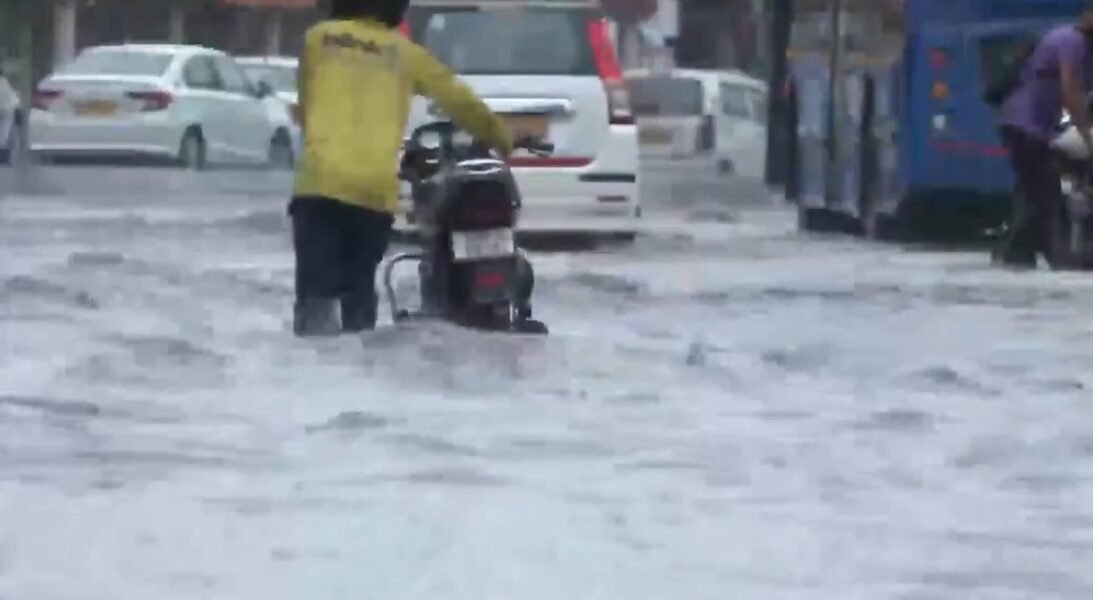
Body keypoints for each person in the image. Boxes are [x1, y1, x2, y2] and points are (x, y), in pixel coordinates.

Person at [289, 0, 514, 336]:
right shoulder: (405, 53)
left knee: (315, 299)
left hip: (319, 185)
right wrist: (502, 138)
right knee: (358, 293)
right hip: (373, 192)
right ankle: (359, 370)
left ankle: (310, 376)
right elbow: (460, 99)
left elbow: (307, 108)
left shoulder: (317, 40)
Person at [995, 5, 1093, 268]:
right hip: (1024, 126)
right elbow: (1071, 92)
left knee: (1036, 194)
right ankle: (1037, 257)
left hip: (1028, 127)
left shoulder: (1077, 44)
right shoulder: (1071, 40)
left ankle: (1018, 257)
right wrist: (1087, 136)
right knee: (1044, 194)